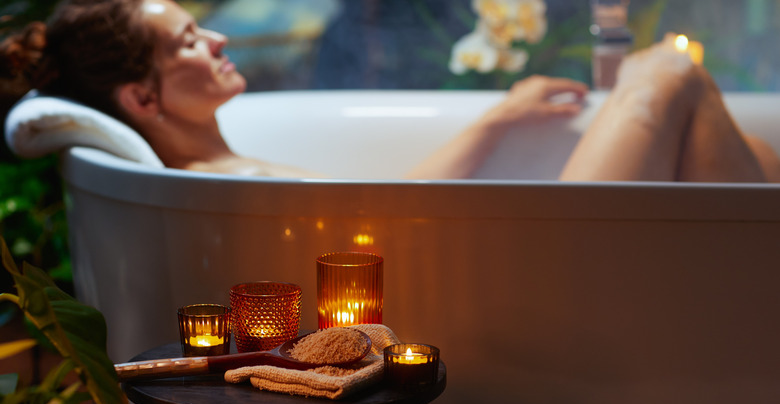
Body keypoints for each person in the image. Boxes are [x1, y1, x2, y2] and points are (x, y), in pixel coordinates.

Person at [1, 0, 778, 182]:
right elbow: (396, 225)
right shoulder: (221, 182)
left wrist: (502, 119)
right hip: (547, 267)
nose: (221, 38)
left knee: (727, 127)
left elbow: (388, 211)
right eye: (190, 42)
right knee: (668, 71)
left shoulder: (236, 169)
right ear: (142, 99)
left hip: (549, 253)